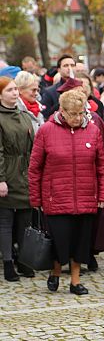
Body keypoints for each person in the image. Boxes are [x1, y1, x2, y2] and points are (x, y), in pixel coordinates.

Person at [28, 90, 104, 294]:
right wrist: (36, 198)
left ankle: (75, 282)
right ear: (61, 111)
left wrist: (102, 196)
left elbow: (102, 166)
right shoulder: (46, 130)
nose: (77, 118)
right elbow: (35, 167)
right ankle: (55, 272)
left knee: (81, 243)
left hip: (85, 198)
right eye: (72, 114)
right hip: (56, 198)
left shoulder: (93, 131)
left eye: (81, 113)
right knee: (59, 241)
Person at [0, 77, 35, 281]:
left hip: (25, 172)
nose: (14, 93)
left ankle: (24, 260)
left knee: (25, 220)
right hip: (8, 171)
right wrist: (1, 178)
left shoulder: (24, 115)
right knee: (5, 221)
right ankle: (8, 263)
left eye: (15, 89)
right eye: (10, 90)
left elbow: (32, 147)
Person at [41, 55, 76, 119]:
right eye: (66, 65)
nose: (70, 68)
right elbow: (45, 115)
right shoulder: (49, 92)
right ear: (59, 70)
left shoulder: (82, 88)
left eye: (72, 65)